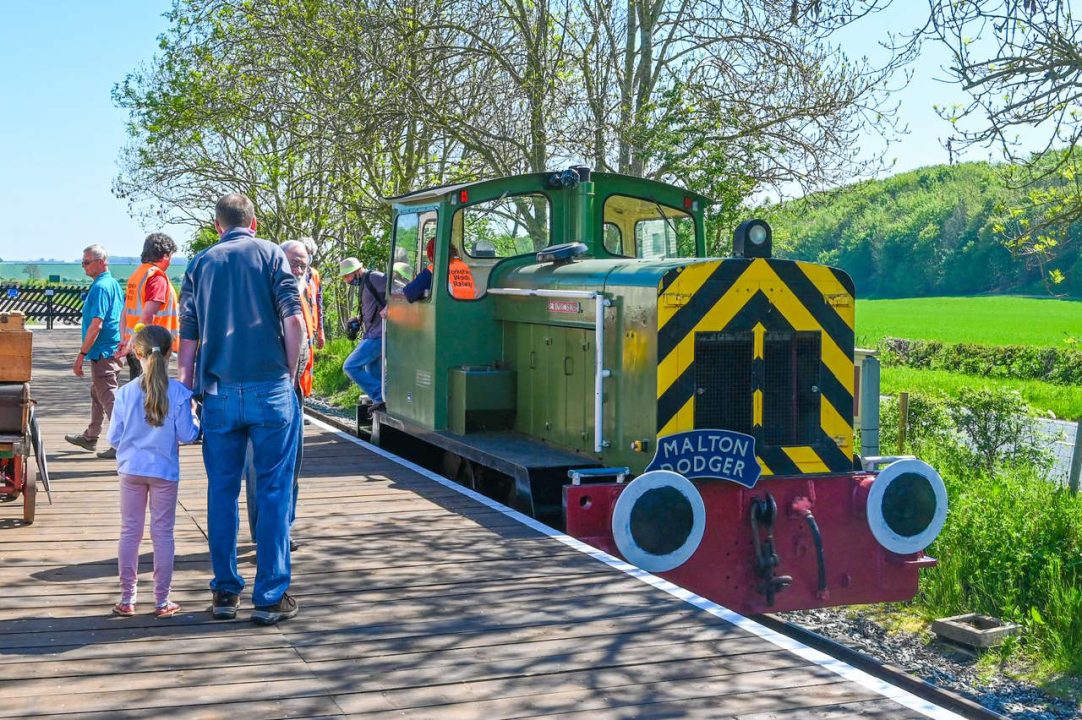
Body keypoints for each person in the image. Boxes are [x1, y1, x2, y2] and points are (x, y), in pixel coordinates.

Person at [178, 192, 306, 626]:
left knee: (222, 491)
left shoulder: (199, 265)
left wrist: (185, 388)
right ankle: (270, 596)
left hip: (218, 391)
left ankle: (225, 593)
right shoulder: (272, 256)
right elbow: (294, 321)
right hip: (270, 387)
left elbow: (189, 335)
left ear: (218, 226)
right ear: (253, 223)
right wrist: (288, 374)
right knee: (272, 490)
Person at [107, 324, 200, 619]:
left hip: (131, 470)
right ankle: (162, 601)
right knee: (163, 535)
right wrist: (195, 416)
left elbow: (113, 438)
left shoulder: (124, 394)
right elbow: (187, 435)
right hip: (164, 473)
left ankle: (127, 598)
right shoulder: (179, 393)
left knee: (129, 532)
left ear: (137, 353)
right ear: (170, 353)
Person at [246, 240, 314, 551]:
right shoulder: (266, 293)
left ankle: (283, 528)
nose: (297, 269)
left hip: (297, 390)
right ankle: (266, 534)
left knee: (293, 464)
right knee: (262, 467)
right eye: (292, 262)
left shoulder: (304, 291)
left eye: (302, 264)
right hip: (269, 389)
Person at [65, 244, 125, 460]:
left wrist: (81, 354)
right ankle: (91, 435)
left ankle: (123, 444)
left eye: (87, 262)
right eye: (83, 262)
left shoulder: (100, 288)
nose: (83, 267)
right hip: (113, 349)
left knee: (109, 398)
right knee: (97, 392)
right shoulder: (114, 284)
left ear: (101, 262)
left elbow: (96, 324)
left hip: (102, 352)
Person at [120, 233, 180, 381]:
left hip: (137, 346)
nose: (171, 261)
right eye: (171, 256)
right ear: (165, 255)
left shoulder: (138, 275)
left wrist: (125, 340)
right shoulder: (156, 277)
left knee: (139, 392)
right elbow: (147, 316)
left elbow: (125, 312)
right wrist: (130, 343)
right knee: (152, 396)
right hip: (152, 349)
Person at [339, 257, 387, 413]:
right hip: (372, 333)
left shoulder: (375, 277)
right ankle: (380, 400)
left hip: (379, 335)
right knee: (373, 372)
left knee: (350, 366)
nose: (346, 280)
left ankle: (382, 394)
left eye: (348, 276)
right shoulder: (365, 283)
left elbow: (401, 293)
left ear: (357, 271)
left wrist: (392, 308)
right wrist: (359, 319)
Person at [403, 239, 476, 302]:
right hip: (471, 310)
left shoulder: (435, 269)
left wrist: (422, 293)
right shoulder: (465, 266)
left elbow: (409, 293)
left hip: (449, 312)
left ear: (432, 254)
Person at [300, 237, 325, 350]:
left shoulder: (314, 274)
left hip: (311, 327)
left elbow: (319, 303)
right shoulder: (289, 273)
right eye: (306, 252)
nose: (309, 256)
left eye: (311, 253)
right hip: (296, 326)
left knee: (308, 363)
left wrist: (321, 330)